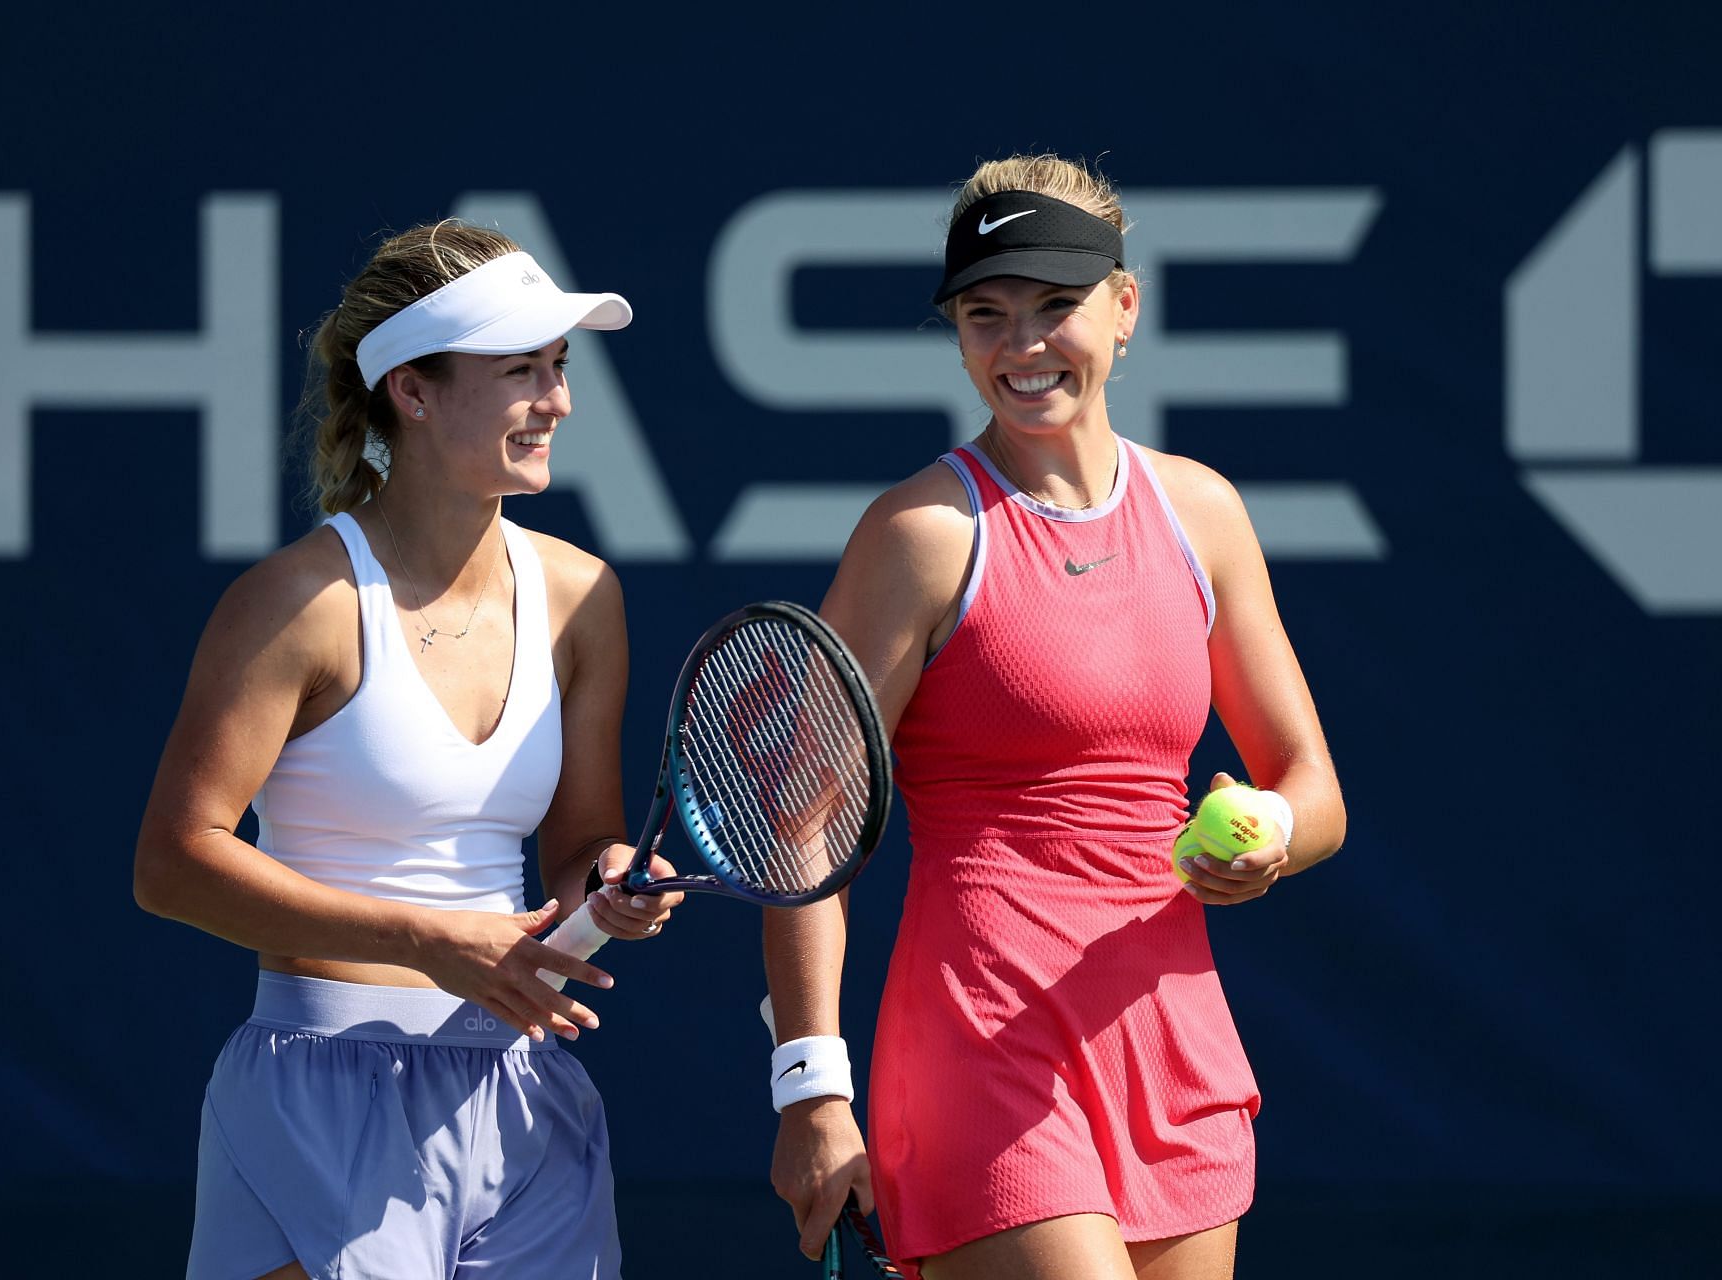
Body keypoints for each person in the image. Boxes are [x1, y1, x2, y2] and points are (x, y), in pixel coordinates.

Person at [762, 155, 1347, 1280]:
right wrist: (811, 1088)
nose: (1021, 346)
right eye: (987, 316)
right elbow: (805, 830)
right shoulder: (922, 533)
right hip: (982, 1041)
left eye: (1054, 307)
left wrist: (1270, 830)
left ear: (1125, 307)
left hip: (1169, 1038)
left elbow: (1311, 782)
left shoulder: (1203, 513)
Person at [134, 218, 682, 1280]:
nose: (558, 401)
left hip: (520, 1088)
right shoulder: (298, 603)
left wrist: (607, 886)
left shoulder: (583, 597)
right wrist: (427, 939)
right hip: (316, 1092)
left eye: (559, 367)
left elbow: (579, 841)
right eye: (520, 370)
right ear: (412, 392)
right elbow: (171, 860)